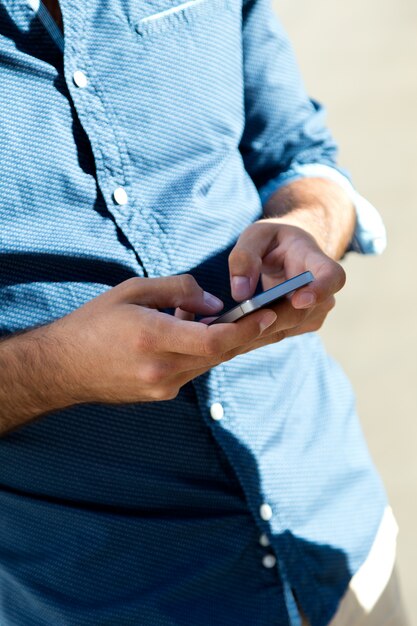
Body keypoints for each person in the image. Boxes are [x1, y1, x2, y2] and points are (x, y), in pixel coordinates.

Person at [0, 0, 409, 624]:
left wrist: (309, 225)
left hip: (343, 534)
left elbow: (299, 153)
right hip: (103, 601)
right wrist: (54, 368)